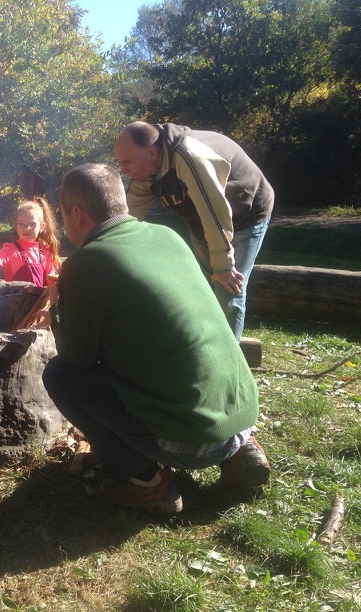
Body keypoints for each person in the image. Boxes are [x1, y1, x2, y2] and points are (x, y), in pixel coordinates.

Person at [42, 163, 270, 515]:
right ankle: (241, 451)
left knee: (59, 375)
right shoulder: (166, 235)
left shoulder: (85, 263)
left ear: (77, 213)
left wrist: (58, 309)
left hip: (190, 440)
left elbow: (76, 358)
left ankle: (144, 482)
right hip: (241, 415)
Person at [114, 121, 274, 340]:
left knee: (228, 288)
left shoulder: (190, 157)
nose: (123, 170)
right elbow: (126, 216)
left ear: (151, 152)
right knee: (204, 286)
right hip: (202, 220)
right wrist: (102, 247)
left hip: (246, 214)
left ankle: (228, 356)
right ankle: (207, 343)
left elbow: (214, 213)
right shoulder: (147, 172)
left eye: (127, 162)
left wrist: (224, 266)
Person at [0, 197, 61, 287]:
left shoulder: (45, 252)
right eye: (21, 224)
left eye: (32, 224)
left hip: (38, 296)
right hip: (14, 296)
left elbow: (51, 281)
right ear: (16, 226)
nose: (26, 228)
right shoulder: (11, 250)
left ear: (42, 227)